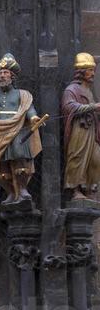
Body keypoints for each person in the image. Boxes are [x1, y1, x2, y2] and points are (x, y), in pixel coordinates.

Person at [0, 53, 42, 204]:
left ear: (12, 76)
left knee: (19, 158)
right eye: (0, 73)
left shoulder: (21, 95)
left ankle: (22, 189)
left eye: (5, 73)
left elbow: (28, 109)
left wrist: (33, 118)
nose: (2, 76)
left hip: (18, 129)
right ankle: (11, 192)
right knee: (2, 164)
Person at [61, 52, 100, 200]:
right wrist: (92, 107)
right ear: (81, 72)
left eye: (93, 70)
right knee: (77, 157)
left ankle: (90, 189)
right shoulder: (72, 90)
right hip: (79, 130)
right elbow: (68, 106)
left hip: (92, 130)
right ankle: (76, 189)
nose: (93, 73)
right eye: (89, 70)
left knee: (96, 159)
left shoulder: (90, 91)